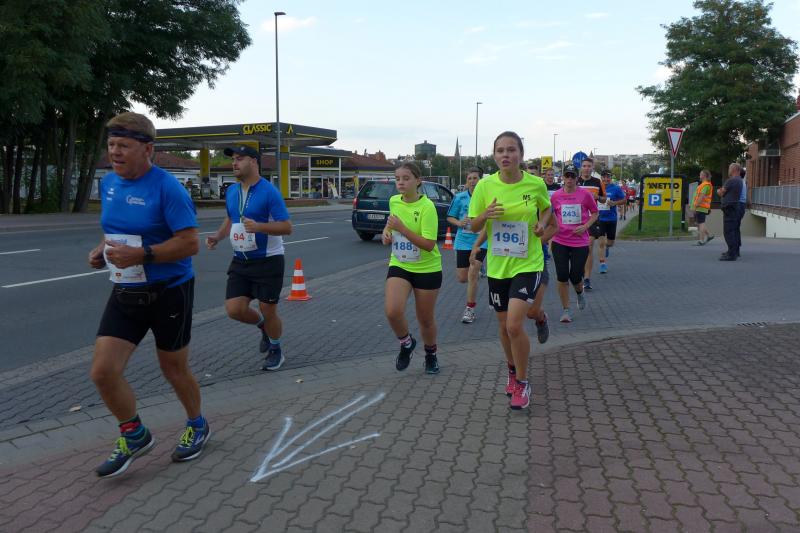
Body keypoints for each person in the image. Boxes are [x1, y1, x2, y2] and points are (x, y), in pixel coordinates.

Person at [88, 112, 206, 478]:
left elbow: (190, 243)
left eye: (123, 146)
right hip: (126, 287)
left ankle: (197, 423)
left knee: (173, 368)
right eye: (111, 145)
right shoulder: (109, 183)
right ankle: (134, 434)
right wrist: (102, 249)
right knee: (103, 372)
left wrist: (143, 255)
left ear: (147, 149)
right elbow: (115, 229)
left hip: (169, 290)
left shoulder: (167, 188)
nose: (115, 152)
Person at [468, 131, 551, 410]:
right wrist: (485, 215)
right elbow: (473, 225)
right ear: (494, 155)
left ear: (521, 154)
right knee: (504, 326)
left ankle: (523, 382)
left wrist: (541, 225)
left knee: (514, 324)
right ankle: (512, 371)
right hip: (499, 265)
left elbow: (547, 210)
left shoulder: (535, 184)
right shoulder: (485, 186)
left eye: (511, 150)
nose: (506, 155)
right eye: (500, 150)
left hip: (528, 263)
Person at [206, 146, 292, 370]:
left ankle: (276, 350)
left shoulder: (269, 191)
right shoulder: (232, 191)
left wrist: (259, 227)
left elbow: (287, 227)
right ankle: (263, 327)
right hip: (241, 259)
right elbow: (230, 218)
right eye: (233, 159)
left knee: (268, 309)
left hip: (268, 260)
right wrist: (218, 236)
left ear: (253, 161)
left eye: (240, 159)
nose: (234, 163)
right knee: (234, 309)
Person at [382, 162, 442, 374]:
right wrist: (387, 233)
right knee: (392, 311)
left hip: (427, 268)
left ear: (418, 181)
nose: (401, 182)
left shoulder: (427, 207)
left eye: (406, 178)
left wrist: (402, 229)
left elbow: (429, 244)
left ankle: (431, 355)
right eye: (397, 178)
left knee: (425, 319)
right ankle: (406, 343)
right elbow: (391, 224)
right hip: (400, 263)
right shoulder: (394, 201)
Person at [549, 164, 599, 322]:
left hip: (580, 242)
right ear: (562, 177)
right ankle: (566, 310)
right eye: (567, 176)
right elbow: (549, 216)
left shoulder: (585, 195)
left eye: (572, 176)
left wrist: (586, 226)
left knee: (575, 277)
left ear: (577, 178)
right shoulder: (556, 196)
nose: (569, 179)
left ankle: (579, 292)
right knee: (562, 276)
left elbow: (595, 213)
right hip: (560, 240)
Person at [446, 166, 487, 324]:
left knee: (472, 274)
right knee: (463, 278)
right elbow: (450, 217)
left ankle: (470, 309)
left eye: (475, 178)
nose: (472, 181)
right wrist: (459, 223)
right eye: (469, 178)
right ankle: (479, 271)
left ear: (480, 180)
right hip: (463, 240)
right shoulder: (460, 197)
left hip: (481, 240)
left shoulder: (487, 196)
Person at [576, 158, 606, 290]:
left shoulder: (597, 182)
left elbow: (604, 199)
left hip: (591, 218)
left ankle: (587, 278)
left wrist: (597, 197)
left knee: (588, 247)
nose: (586, 168)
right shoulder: (574, 180)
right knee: (578, 250)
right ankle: (579, 272)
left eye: (589, 166)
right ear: (581, 167)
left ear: (592, 168)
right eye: (584, 166)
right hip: (575, 219)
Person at [596, 170, 627, 274]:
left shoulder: (616, 188)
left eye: (608, 177)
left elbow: (624, 200)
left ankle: (607, 247)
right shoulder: (597, 188)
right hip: (599, 219)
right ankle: (602, 264)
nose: (606, 179)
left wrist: (615, 203)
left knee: (610, 243)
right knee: (601, 243)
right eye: (604, 177)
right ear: (601, 178)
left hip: (611, 219)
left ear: (610, 178)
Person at [717, 163, 743, 261]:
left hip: (729, 207)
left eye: (729, 168)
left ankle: (731, 254)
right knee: (734, 230)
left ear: (733, 170)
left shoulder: (731, 180)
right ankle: (733, 251)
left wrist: (718, 191)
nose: (728, 170)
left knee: (728, 231)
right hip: (734, 207)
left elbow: (721, 192)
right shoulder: (740, 181)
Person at [691, 170, 714, 245]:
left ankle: (701, 240)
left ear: (704, 176)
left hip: (701, 207)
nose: (699, 176)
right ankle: (709, 235)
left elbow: (701, 197)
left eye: (700, 174)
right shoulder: (703, 185)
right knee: (700, 222)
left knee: (701, 223)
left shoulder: (706, 185)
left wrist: (695, 206)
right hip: (701, 207)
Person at [738, 168, 747, 253]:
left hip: (739, 205)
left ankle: (735, 248)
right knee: (736, 227)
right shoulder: (743, 182)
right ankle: (737, 247)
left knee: (734, 227)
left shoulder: (739, 182)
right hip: (742, 205)